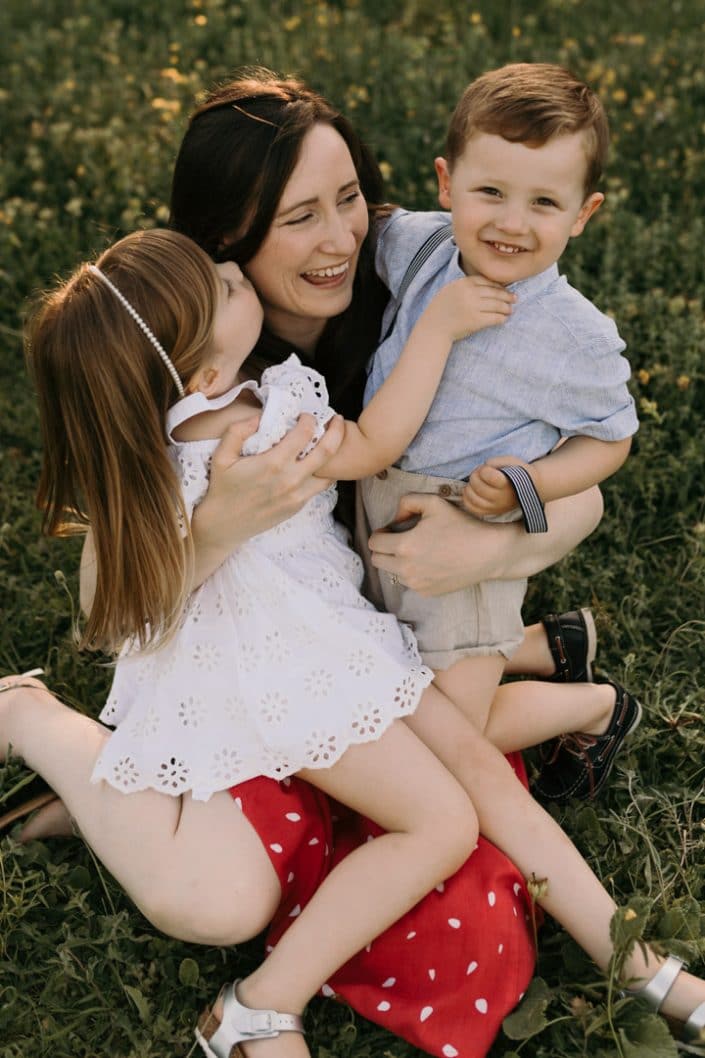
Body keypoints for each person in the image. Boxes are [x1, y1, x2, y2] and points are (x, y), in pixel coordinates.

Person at [3, 71, 620, 1058]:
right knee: (228, 893)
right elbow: (107, 607)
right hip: (285, 678)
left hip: (391, 649)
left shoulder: (426, 271)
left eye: (351, 201)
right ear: (224, 242)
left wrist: (497, 535)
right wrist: (215, 528)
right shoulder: (181, 347)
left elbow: (588, 478)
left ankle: (565, 690)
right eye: (301, 216)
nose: (342, 239)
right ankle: (87, 766)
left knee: (464, 917)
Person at [360, 63, 642, 804]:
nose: (510, 224)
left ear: (582, 213)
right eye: (489, 192)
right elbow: (362, 228)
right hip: (372, 496)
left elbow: (610, 440)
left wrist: (529, 483)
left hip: (463, 514)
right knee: (383, 668)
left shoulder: (573, 336)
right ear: (446, 183)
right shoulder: (417, 248)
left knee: (440, 732)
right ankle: (549, 648)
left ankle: (595, 707)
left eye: (543, 202)